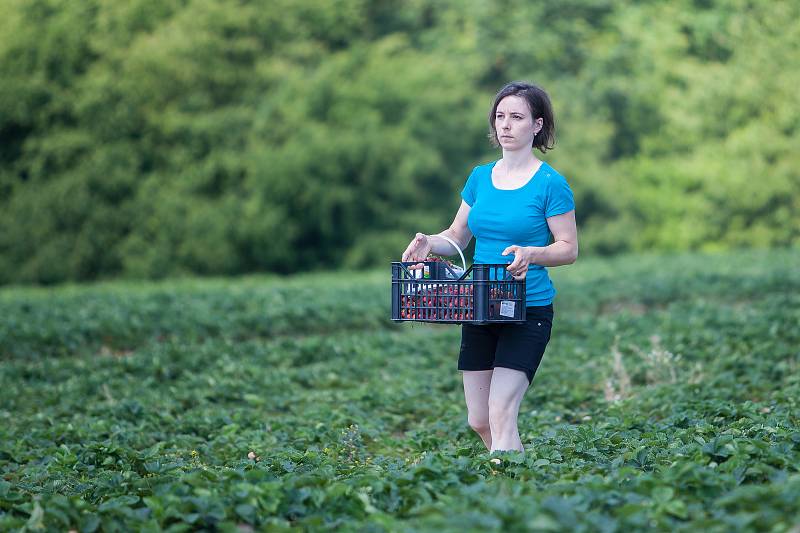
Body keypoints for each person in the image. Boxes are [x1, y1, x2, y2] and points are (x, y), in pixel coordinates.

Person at [401, 81, 578, 453]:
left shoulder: (550, 184)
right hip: (478, 305)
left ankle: (507, 497)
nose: (506, 125)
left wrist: (532, 254)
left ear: (537, 125)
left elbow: (568, 248)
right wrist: (426, 242)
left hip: (527, 309)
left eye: (517, 117)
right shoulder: (480, 177)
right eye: (500, 116)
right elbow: (457, 236)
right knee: (479, 420)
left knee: (500, 411)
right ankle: (516, 476)